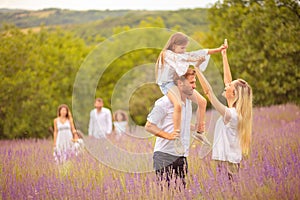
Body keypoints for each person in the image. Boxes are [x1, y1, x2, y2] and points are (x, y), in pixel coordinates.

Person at [194, 39, 253, 180]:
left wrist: (197, 69)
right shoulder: (235, 111)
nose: (225, 86)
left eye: (229, 87)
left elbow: (209, 93)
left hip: (228, 164)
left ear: (234, 94)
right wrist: (224, 55)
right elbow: (228, 80)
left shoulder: (231, 115)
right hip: (229, 161)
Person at [155, 32, 227, 145]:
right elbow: (184, 58)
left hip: (177, 82)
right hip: (167, 84)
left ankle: (199, 132)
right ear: (173, 45)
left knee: (202, 102)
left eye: (185, 48)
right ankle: (176, 134)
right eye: (182, 47)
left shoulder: (179, 54)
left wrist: (218, 50)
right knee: (178, 104)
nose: (184, 50)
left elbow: (196, 53)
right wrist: (196, 59)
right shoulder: (166, 54)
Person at [145, 68, 199, 188]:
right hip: (164, 155)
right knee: (166, 193)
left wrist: (194, 127)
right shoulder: (163, 103)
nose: (194, 86)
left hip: (181, 155)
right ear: (180, 83)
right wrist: (168, 136)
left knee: (182, 193)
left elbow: (181, 123)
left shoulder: (188, 103)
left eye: (195, 82)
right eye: (191, 82)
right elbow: (149, 126)